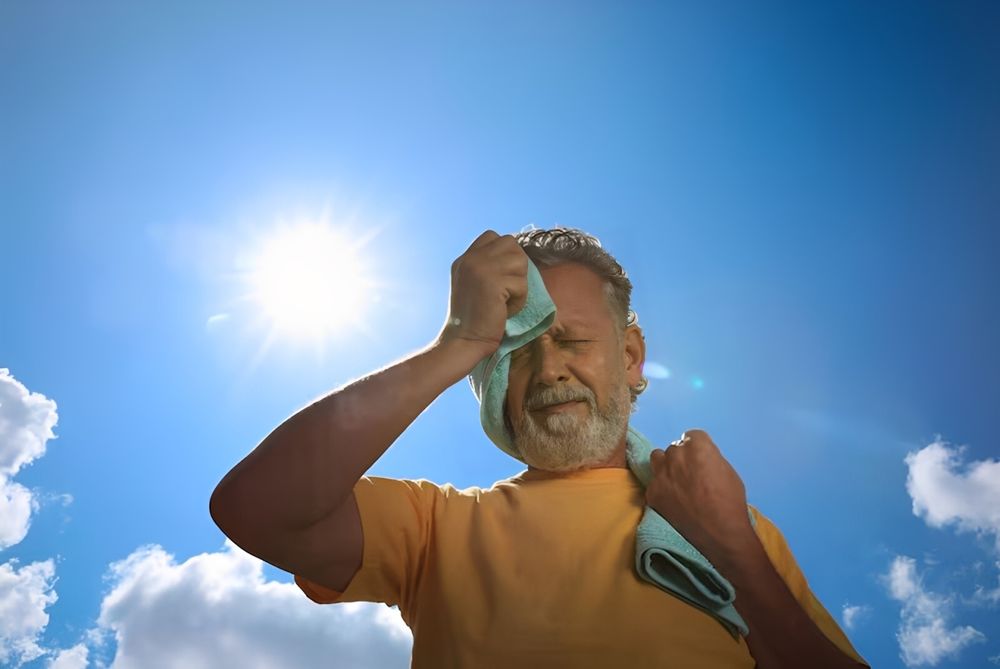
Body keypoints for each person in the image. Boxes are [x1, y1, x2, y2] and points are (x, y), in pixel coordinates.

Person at [210, 228, 869, 668]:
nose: (550, 368)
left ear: (633, 356)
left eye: (574, 339)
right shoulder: (436, 526)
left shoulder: (736, 529)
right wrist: (460, 342)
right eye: (517, 350)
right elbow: (255, 508)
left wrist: (734, 546)